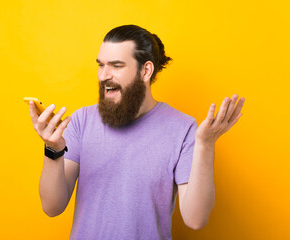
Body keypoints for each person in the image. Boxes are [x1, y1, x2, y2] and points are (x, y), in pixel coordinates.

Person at [28, 25, 245, 240]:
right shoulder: (81, 121)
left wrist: (205, 146)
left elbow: (195, 219)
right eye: (101, 65)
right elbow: (52, 206)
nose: (104, 75)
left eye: (116, 65)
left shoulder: (183, 128)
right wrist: (53, 150)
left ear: (146, 71)